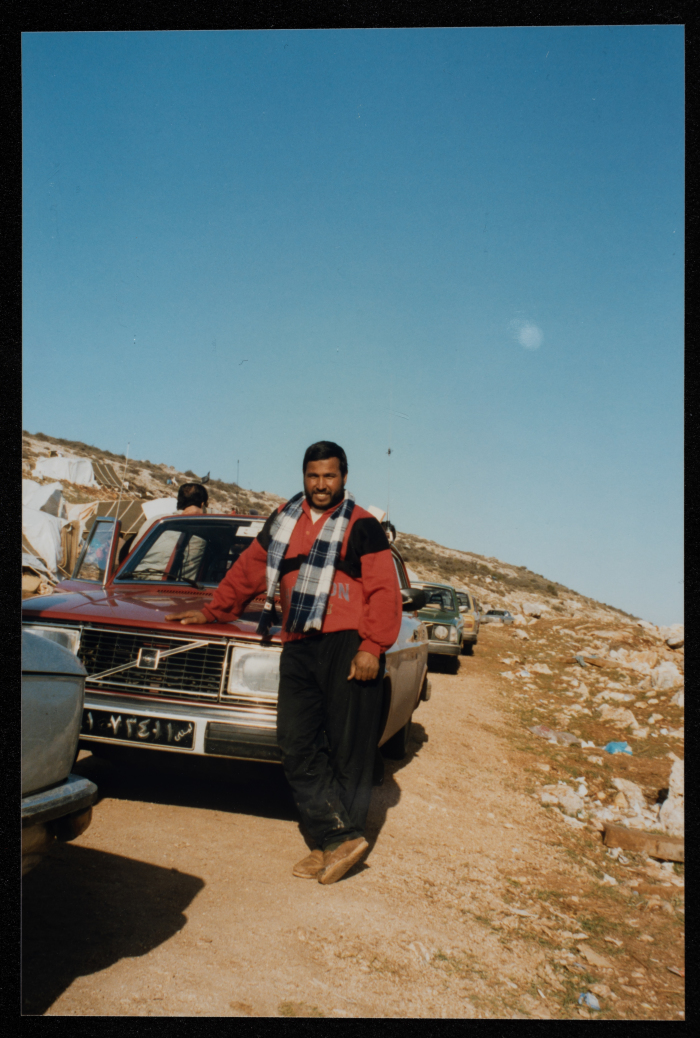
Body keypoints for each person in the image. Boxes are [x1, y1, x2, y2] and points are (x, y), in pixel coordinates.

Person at [166, 442, 402, 885]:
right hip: (297, 639)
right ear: (304, 476)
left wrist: (372, 647)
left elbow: (384, 590)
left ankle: (330, 844)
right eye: (313, 476)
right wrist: (215, 609)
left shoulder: (362, 525)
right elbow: (252, 567)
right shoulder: (284, 518)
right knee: (295, 743)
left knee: (348, 750)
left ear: (344, 478)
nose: (320, 485)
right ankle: (338, 836)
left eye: (329, 476)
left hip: (347, 644)